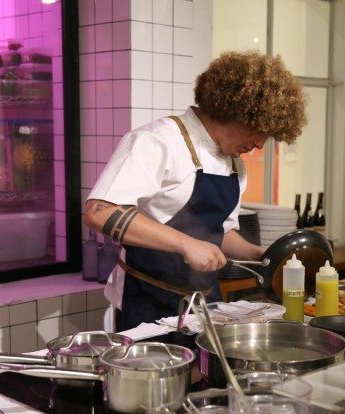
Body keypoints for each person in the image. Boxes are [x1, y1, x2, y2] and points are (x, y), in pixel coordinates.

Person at [84, 51, 307, 332]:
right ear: (233, 109)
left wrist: (257, 253)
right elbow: (99, 211)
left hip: (206, 304)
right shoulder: (158, 141)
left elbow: (219, 233)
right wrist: (185, 244)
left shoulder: (235, 164)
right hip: (147, 301)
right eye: (257, 128)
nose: (260, 144)